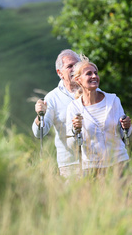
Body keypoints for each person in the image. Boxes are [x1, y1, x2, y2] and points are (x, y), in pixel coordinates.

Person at [66, 55, 132, 176]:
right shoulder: (74, 107)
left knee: (124, 196)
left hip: (119, 163)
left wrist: (126, 126)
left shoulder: (113, 100)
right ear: (78, 79)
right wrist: (75, 129)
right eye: (89, 74)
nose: (94, 76)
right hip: (92, 168)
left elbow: (124, 134)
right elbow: (71, 145)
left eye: (96, 73)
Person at [32, 49, 82, 177]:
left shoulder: (94, 91)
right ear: (59, 73)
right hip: (70, 164)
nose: (74, 69)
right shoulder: (52, 98)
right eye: (70, 66)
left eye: (77, 65)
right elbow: (40, 133)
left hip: (98, 161)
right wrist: (39, 116)